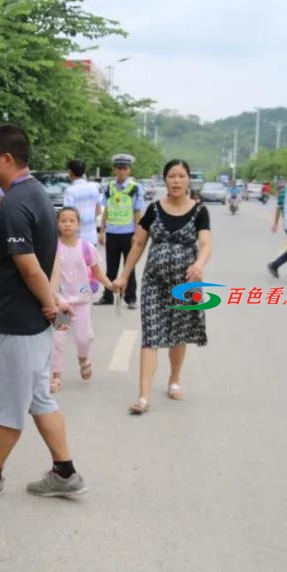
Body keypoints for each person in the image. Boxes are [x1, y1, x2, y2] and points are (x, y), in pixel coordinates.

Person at [0, 124, 87, 503]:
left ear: (6, 159)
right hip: (34, 326)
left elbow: (29, 266)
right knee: (40, 397)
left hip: (14, 326)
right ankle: (65, 471)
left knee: (9, 405)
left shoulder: (12, 204)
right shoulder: (38, 193)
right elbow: (51, 254)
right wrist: (52, 299)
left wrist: (47, 299)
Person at [113, 159, 212, 414]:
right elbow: (138, 244)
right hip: (154, 282)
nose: (176, 181)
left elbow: (206, 244)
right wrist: (124, 275)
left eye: (181, 176)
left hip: (186, 284)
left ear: (188, 179)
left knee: (178, 333)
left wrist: (199, 264)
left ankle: (174, 379)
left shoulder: (200, 211)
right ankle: (143, 395)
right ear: (164, 179)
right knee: (152, 334)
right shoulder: (153, 210)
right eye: (172, 176)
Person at [49, 207, 113, 393]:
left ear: (78, 224)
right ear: (57, 224)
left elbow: (98, 272)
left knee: (83, 338)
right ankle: (56, 376)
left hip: (82, 302)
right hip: (62, 304)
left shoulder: (86, 247)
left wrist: (111, 285)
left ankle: (83, 359)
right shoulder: (54, 248)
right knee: (58, 340)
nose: (67, 224)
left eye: (71, 220)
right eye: (63, 220)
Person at [97, 154, 145, 309]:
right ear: (114, 169)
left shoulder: (135, 188)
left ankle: (130, 298)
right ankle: (108, 295)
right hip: (112, 232)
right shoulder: (109, 187)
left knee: (128, 267)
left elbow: (138, 212)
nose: (121, 171)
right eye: (119, 168)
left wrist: (137, 234)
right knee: (111, 267)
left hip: (128, 233)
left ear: (129, 170)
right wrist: (102, 231)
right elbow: (106, 211)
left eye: (124, 168)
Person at [62, 158, 102, 246]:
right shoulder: (94, 187)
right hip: (92, 237)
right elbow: (98, 210)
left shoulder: (70, 191)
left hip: (76, 239)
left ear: (70, 172)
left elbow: (68, 215)